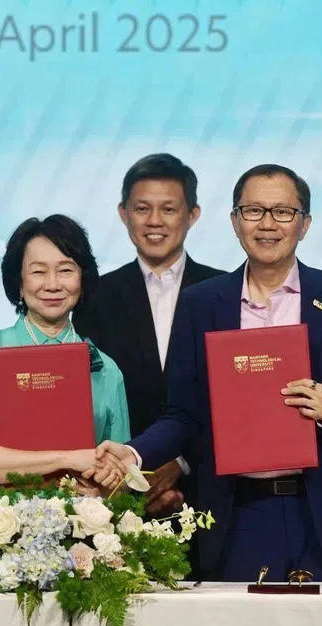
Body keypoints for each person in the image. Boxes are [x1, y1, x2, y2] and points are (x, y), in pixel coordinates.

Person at [97, 164, 322, 582]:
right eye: (254, 211)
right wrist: (133, 453)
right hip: (237, 514)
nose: (268, 224)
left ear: (305, 224)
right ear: (235, 222)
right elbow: (183, 414)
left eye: (283, 212)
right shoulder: (201, 304)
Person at [0, 215, 132, 539]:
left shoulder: (105, 368)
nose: (52, 284)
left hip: (79, 538)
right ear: (18, 280)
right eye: (38, 271)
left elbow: (120, 475)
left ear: (83, 278)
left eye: (65, 269)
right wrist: (68, 459)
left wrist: (104, 490)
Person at [73, 153, 224, 516]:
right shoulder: (93, 297)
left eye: (169, 209)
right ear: (124, 213)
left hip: (210, 493)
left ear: (193, 215)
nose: (154, 221)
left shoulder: (223, 292)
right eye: (142, 208)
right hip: (116, 496)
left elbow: (235, 399)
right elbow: (86, 399)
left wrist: (182, 463)